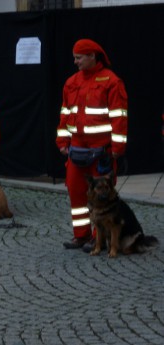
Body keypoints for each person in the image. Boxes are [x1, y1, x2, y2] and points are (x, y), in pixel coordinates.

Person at [56, 39, 128, 251]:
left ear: (92, 56)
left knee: (102, 196)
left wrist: (116, 148)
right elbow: (65, 114)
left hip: (102, 151)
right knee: (76, 192)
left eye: (79, 58)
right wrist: (62, 141)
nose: (75, 62)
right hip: (76, 149)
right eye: (74, 58)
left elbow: (119, 117)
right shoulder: (71, 82)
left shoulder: (111, 82)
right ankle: (81, 236)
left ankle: (100, 238)